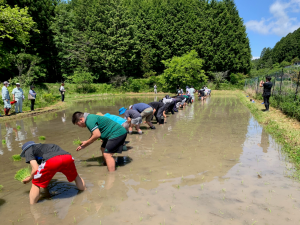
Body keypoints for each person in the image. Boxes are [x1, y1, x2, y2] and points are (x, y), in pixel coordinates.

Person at [20, 141, 86, 204]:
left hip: (52, 160)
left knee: (36, 183)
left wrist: (30, 178)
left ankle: (32, 206)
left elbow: (35, 168)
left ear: (25, 151)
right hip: (67, 157)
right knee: (76, 176)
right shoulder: (47, 146)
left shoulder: (28, 150)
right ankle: (85, 192)